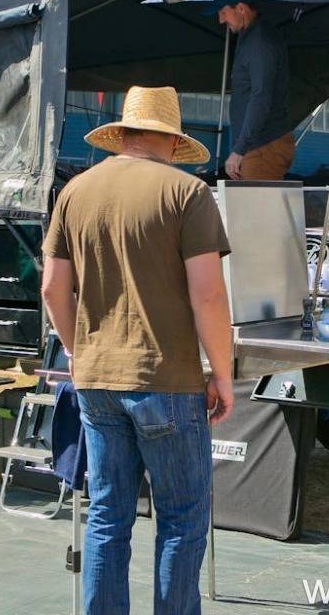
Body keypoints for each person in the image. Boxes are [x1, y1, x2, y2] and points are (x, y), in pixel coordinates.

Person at [41, 85, 234, 615]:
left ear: (123, 134)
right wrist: (222, 373)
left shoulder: (75, 191)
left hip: (96, 381)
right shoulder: (187, 192)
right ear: (171, 140)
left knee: (107, 517)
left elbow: (52, 289)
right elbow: (209, 295)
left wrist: (77, 350)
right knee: (181, 519)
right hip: (166, 379)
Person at [208, 0, 294, 181]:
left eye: (223, 12)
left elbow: (261, 96)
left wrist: (239, 149)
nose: (221, 20)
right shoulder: (250, 36)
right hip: (258, 146)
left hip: (263, 146)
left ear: (241, 8)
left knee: (254, 201)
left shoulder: (260, 41)